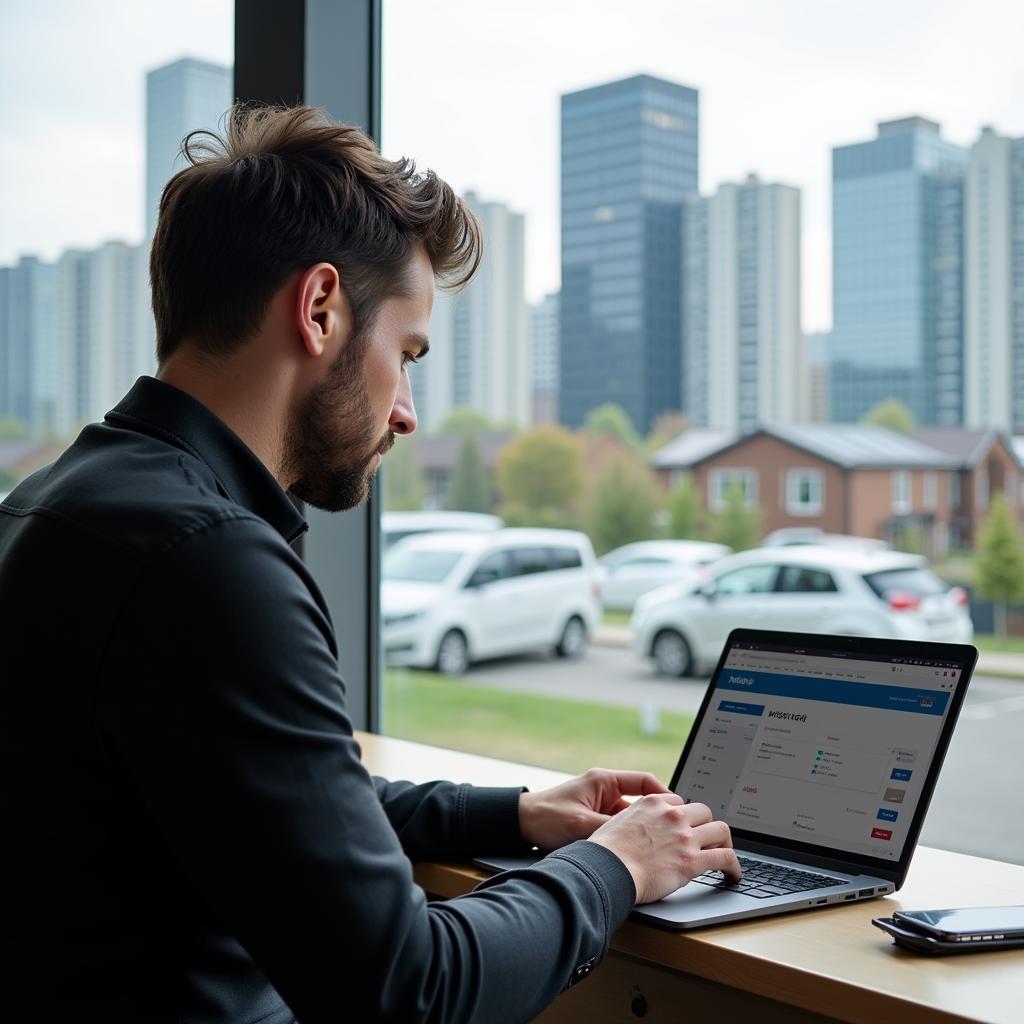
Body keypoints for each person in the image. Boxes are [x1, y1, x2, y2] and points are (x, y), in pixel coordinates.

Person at [0, 103, 740, 1023]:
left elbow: (274, 795)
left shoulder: (53, 505)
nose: (408, 413)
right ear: (319, 310)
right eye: (407, 352)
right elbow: (408, 991)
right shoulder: (210, 559)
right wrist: (618, 866)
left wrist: (509, 813)